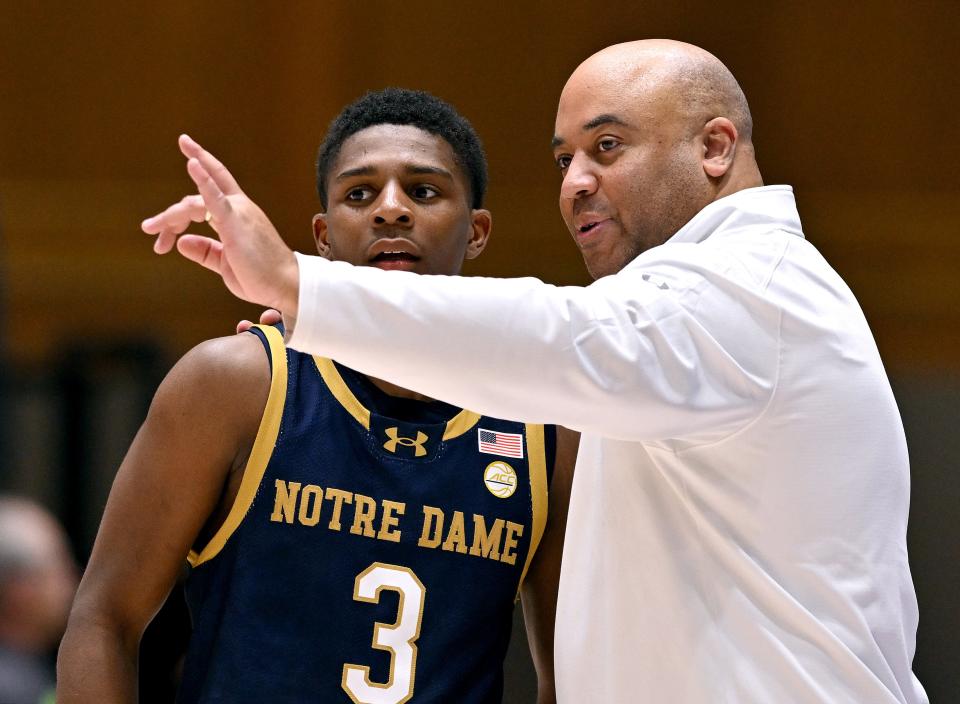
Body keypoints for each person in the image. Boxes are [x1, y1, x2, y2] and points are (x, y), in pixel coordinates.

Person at [141, 40, 929, 703]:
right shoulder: (684, 322)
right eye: (565, 158)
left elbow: (554, 336)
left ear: (714, 148)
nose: (575, 181)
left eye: (607, 147)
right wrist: (339, 333)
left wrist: (302, 287)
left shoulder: (749, 290)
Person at [59, 88, 576, 704]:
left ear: (478, 231)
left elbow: (567, 681)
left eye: (424, 190)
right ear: (322, 236)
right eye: (360, 193)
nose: (391, 210)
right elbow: (103, 619)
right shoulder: (236, 385)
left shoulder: (546, 426)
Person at [0, 496, 78, 704]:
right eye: (60, 570)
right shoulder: (13, 688)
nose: (74, 583)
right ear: (20, 589)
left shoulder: (31, 672)